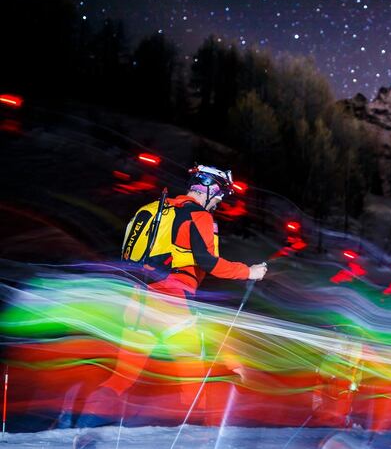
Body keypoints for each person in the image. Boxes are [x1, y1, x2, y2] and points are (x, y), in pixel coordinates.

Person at [74, 165, 267, 427]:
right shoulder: (198, 216)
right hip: (172, 301)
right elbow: (209, 263)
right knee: (192, 373)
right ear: (208, 189)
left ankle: (80, 434)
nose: (219, 202)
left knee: (122, 377)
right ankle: (197, 446)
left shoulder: (155, 210)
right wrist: (249, 272)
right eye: (219, 195)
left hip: (138, 300)